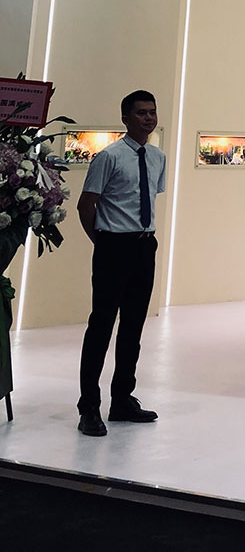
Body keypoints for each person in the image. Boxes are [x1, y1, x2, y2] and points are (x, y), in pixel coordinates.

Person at [76, 89, 166, 437]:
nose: (148, 118)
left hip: (144, 245)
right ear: (125, 118)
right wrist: (102, 242)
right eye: (141, 113)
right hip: (114, 246)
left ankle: (122, 399)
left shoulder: (157, 157)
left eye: (152, 112)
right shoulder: (108, 157)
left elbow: (149, 197)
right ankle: (89, 407)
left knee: (133, 327)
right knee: (101, 326)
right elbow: (86, 205)